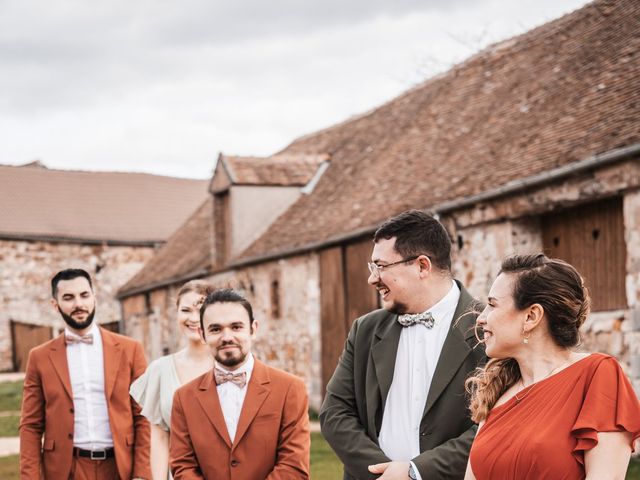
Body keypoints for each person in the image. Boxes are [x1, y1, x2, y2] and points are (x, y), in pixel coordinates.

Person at [320, 209, 486, 480]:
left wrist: (416, 472)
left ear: (422, 266)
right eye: (372, 267)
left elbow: (494, 424)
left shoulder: (487, 327)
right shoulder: (365, 329)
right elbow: (335, 413)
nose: (372, 278)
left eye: (381, 266)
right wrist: (384, 474)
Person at [465, 254, 640, 479]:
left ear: (531, 316)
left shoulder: (597, 374)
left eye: (492, 305)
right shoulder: (496, 389)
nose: (481, 318)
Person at [20, 268, 151, 480]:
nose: (78, 304)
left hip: (119, 467)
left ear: (94, 298)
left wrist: (143, 474)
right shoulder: (39, 357)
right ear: (56, 305)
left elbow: (144, 416)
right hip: (65, 469)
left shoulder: (130, 349)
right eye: (68, 298)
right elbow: (30, 426)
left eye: (84, 295)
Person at [169, 288, 310, 479]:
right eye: (215, 329)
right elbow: (182, 466)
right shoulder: (184, 398)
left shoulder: (289, 388)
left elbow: (294, 465)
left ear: (253, 329)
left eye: (236, 327)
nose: (227, 337)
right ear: (202, 335)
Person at [130, 280, 214, 480]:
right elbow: (159, 438)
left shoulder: (230, 367)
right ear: (176, 312)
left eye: (200, 310)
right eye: (185, 310)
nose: (193, 318)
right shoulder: (160, 370)